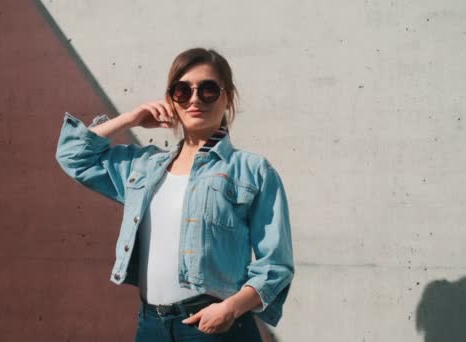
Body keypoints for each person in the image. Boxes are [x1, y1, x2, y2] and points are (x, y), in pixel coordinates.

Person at [56, 48, 294, 341]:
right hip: (151, 326)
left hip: (216, 328)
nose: (195, 99)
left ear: (227, 97)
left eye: (207, 89)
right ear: (171, 100)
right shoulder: (144, 167)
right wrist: (130, 119)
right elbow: (73, 157)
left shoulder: (251, 171)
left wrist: (230, 309)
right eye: (182, 91)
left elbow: (275, 265)